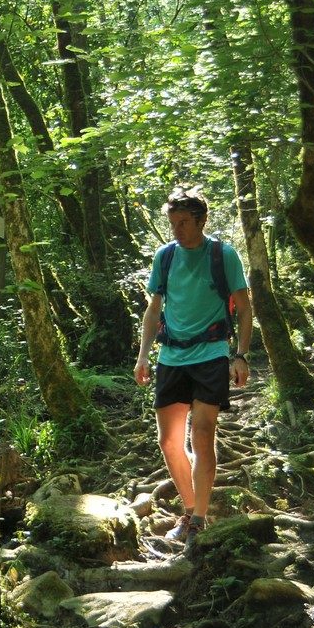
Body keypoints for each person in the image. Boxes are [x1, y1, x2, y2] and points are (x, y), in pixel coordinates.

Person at [134, 185, 253, 554]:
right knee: (169, 442)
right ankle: (188, 510)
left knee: (202, 434)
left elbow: (245, 308)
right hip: (171, 356)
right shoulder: (165, 257)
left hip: (211, 354)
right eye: (173, 223)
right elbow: (154, 308)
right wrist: (143, 355)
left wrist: (241, 354)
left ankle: (199, 519)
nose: (177, 229)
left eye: (184, 222)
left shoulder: (223, 255)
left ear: (202, 220)